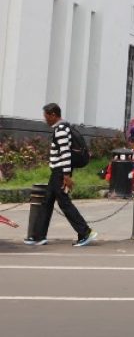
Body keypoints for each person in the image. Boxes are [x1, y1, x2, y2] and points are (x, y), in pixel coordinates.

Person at [24, 103, 97, 248]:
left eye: (46, 117)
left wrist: (66, 175)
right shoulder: (61, 128)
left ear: (53, 115)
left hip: (60, 172)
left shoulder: (61, 130)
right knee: (47, 202)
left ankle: (85, 232)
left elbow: (65, 153)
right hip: (58, 171)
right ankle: (38, 236)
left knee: (64, 202)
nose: (45, 120)